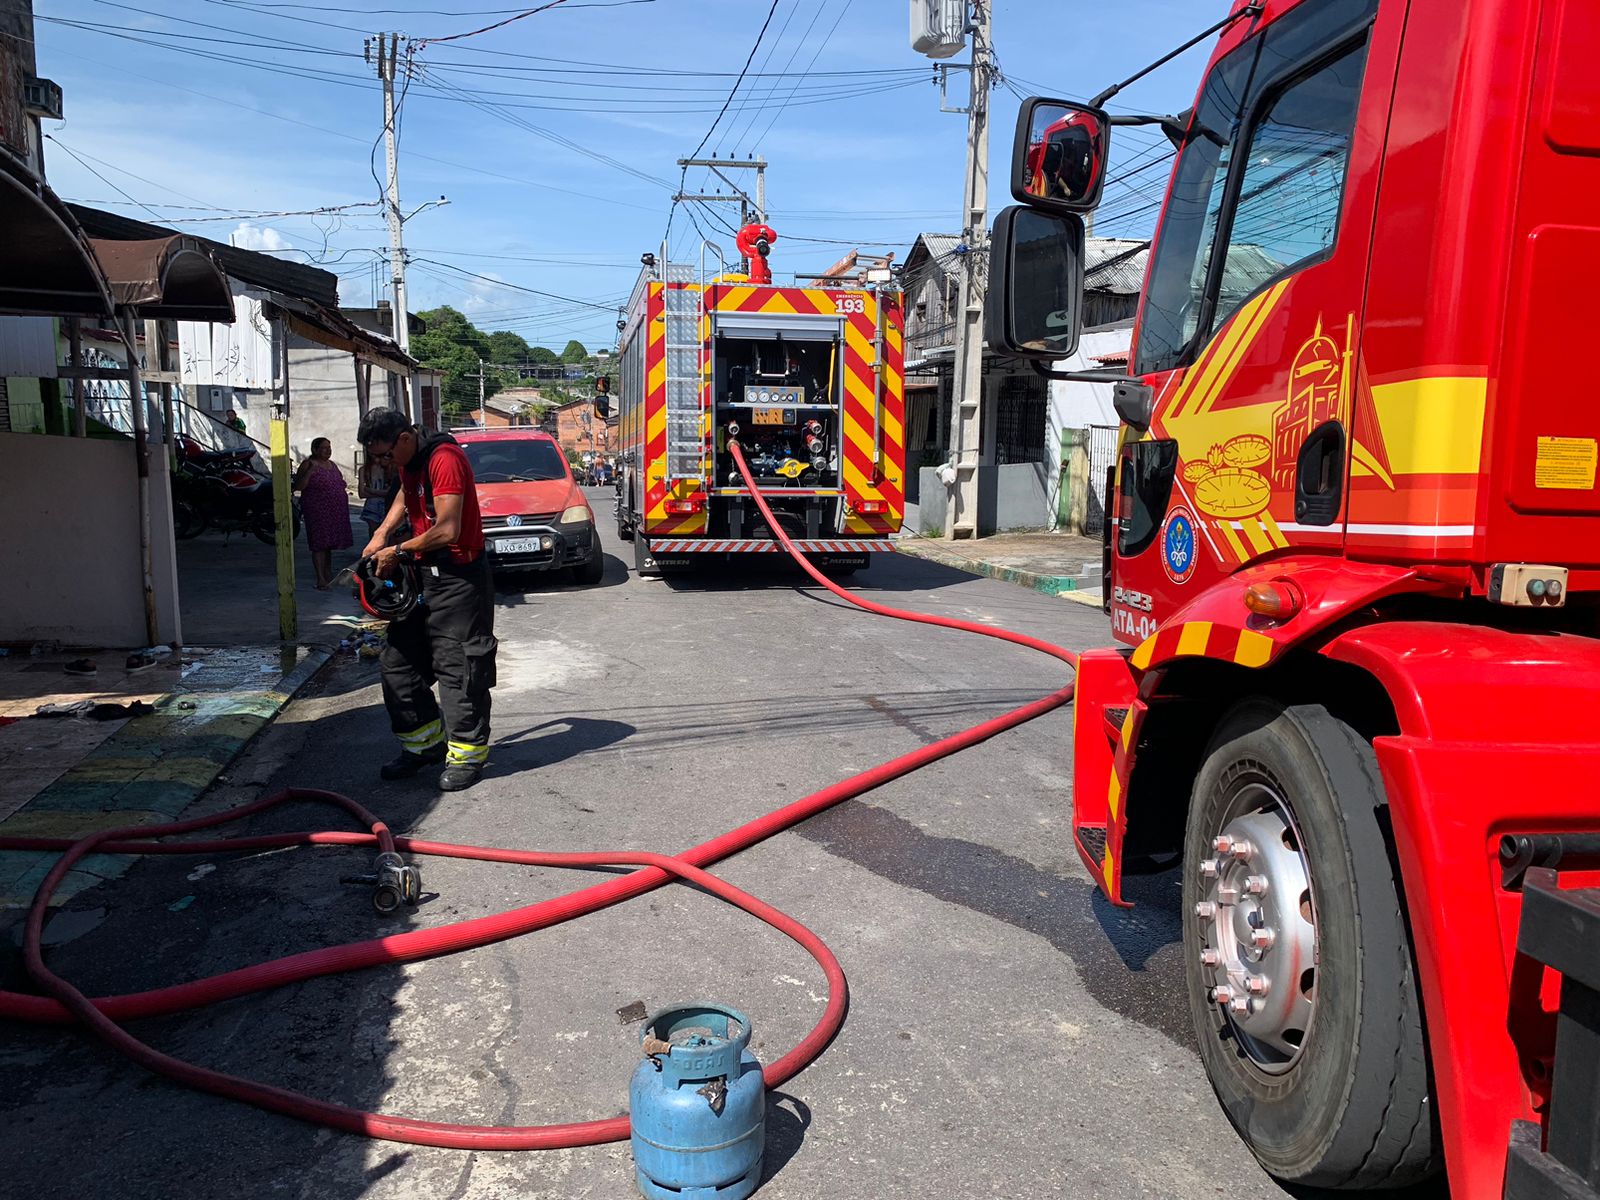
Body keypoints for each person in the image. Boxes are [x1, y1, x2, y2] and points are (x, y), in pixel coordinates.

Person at [357, 408, 496, 792]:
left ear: (404, 438)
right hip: (423, 575)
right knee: (397, 664)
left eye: (386, 455)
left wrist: (397, 550)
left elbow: (449, 529)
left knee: (458, 668)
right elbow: (404, 492)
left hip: (458, 578)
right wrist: (382, 534)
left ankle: (467, 756)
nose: (384, 464)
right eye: (377, 458)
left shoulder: (445, 460)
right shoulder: (410, 460)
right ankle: (424, 747)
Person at [294, 438, 353, 590]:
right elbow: (299, 486)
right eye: (324, 448)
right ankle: (321, 578)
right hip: (317, 510)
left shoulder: (331, 464)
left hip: (334, 511)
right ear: (315, 449)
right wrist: (311, 472)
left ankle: (327, 575)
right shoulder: (308, 464)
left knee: (328, 545)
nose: (328, 450)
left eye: (329, 447)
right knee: (319, 544)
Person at [358, 450, 396, 541]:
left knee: (389, 535)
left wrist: (371, 491)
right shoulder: (364, 470)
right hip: (372, 507)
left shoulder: (391, 469)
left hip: (388, 505)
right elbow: (362, 493)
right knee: (374, 535)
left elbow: (391, 492)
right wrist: (381, 493)